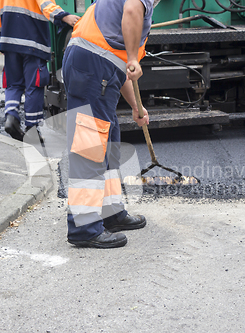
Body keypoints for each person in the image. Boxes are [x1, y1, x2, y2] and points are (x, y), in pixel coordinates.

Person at [62, 0, 154, 248]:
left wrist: (136, 106)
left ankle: (110, 212)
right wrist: (135, 57)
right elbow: (133, 9)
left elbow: (120, 64)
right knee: (89, 146)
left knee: (109, 139)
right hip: (92, 66)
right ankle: (84, 227)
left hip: (96, 64)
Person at [0, 0, 79, 141]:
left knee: (13, 83)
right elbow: (46, 5)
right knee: (35, 85)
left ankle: (11, 117)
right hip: (33, 43)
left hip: (9, 44)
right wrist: (64, 16)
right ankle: (32, 129)